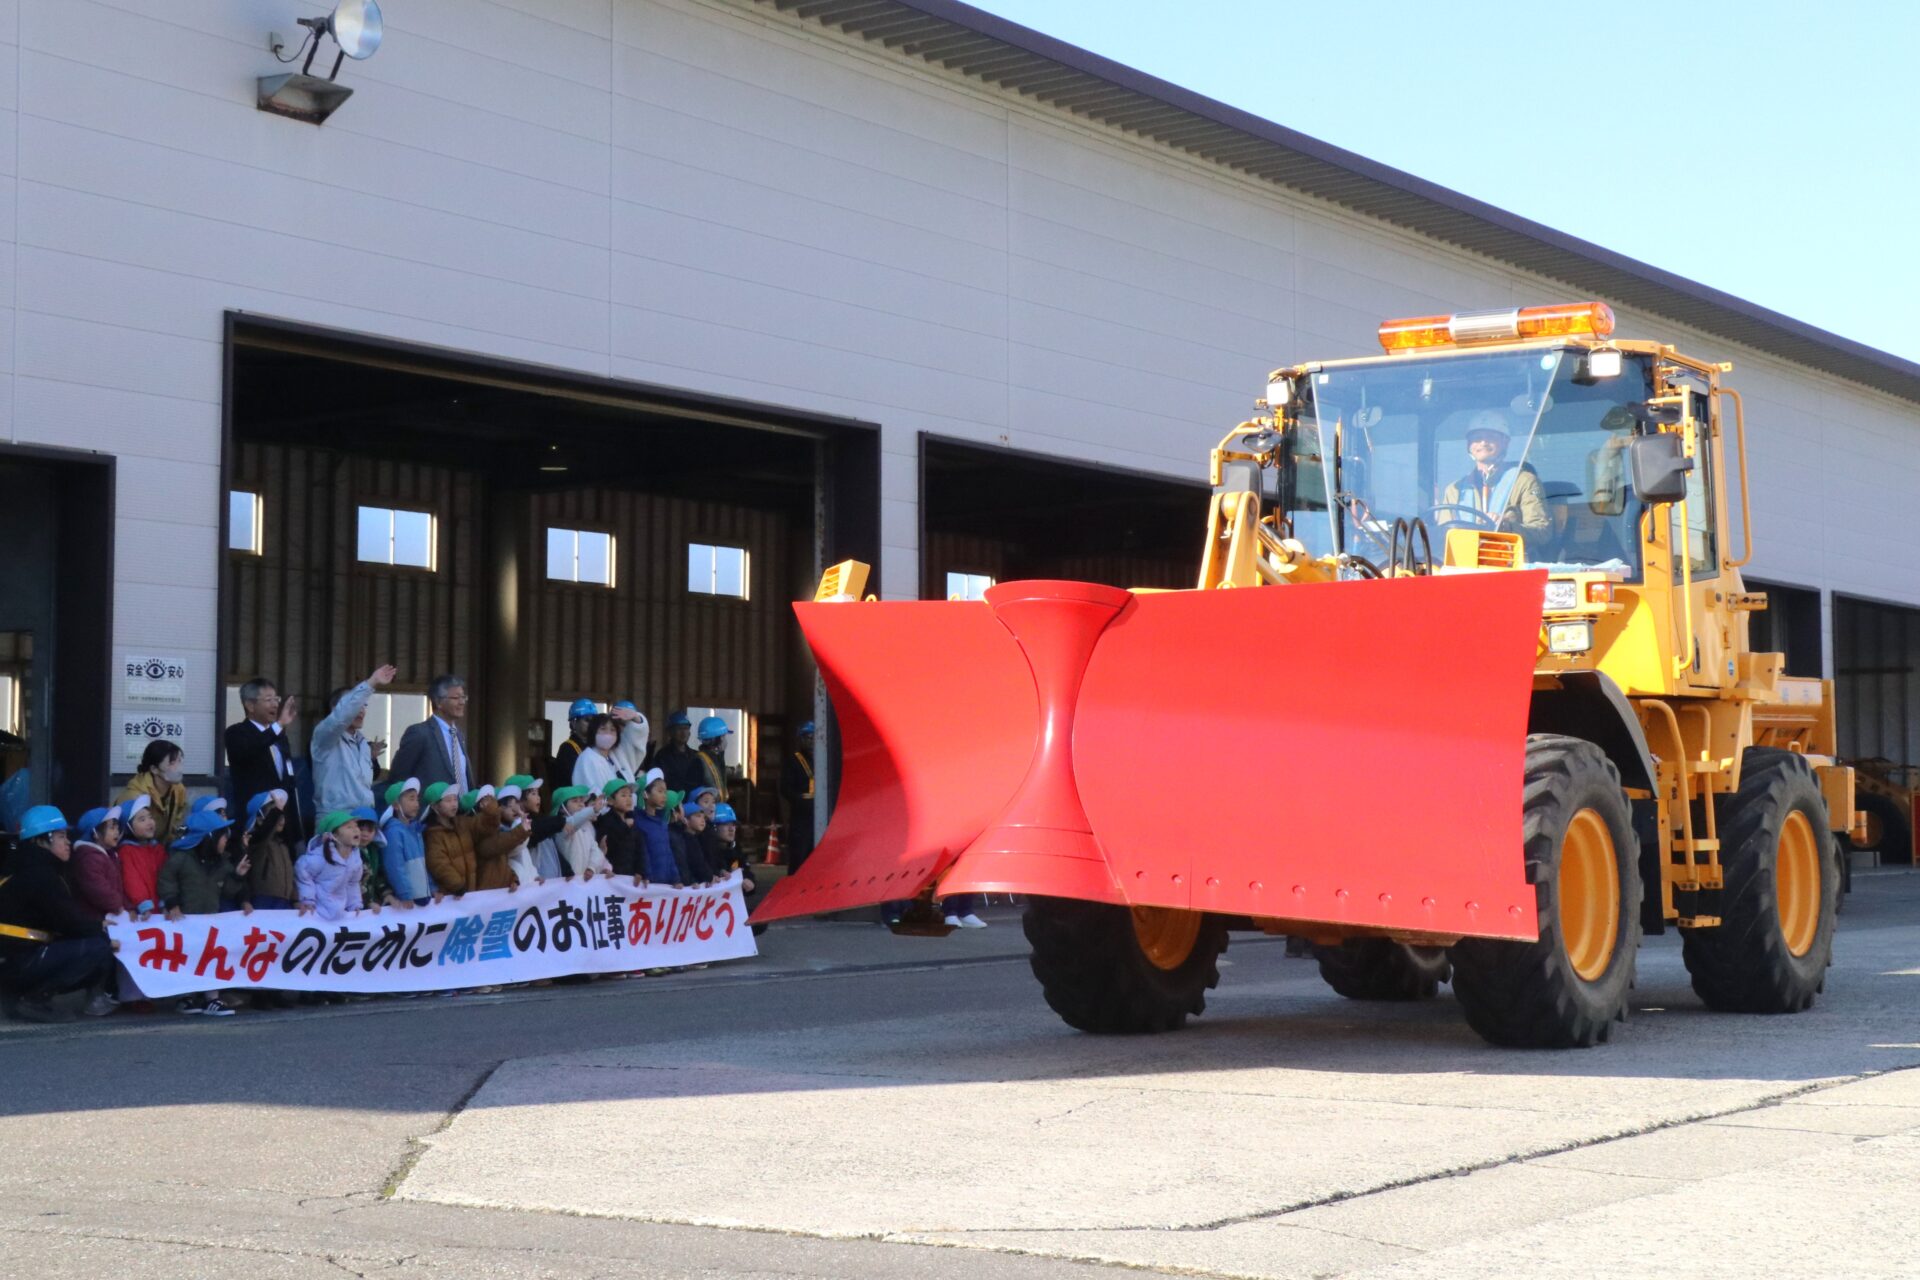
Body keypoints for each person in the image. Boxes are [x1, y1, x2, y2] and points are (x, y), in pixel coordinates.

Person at [0, 806, 117, 1023]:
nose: (68, 842)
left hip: (12, 958)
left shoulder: (24, 866)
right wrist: (100, 927)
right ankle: (34, 999)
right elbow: (68, 921)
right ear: (41, 840)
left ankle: (17, 996)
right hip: (18, 961)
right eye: (61, 836)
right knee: (98, 947)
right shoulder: (40, 874)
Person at [158, 807, 251, 1016]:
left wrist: (237, 876)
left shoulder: (222, 863)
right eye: (222, 836)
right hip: (185, 920)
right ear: (209, 837)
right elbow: (166, 879)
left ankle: (212, 998)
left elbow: (227, 890)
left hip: (210, 921)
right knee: (187, 958)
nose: (226, 840)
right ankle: (185, 996)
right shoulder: (181, 858)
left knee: (211, 957)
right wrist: (172, 902)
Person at [1438, 411, 1550, 546]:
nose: (1483, 442)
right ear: (1469, 445)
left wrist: (1506, 527)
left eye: (1491, 437)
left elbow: (1542, 532)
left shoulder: (1524, 481)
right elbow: (1442, 537)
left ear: (1505, 442)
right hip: (1463, 564)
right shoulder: (1454, 490)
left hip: (1511, 563)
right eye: (1477, 438)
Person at [224, 677, 303, 841]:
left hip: (284, 822)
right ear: (250, 705)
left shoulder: (280, 737)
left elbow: (287, 777)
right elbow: (253, 747)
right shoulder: (236, 733)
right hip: (255, 822)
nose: (275, 704)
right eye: (268, 700)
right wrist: (279, 725)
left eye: (276, 699)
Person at [311, 665, 397, 815]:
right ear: (335, 708)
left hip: (363, 819)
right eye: (357, 705)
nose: (362, 710)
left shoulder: (363, 743)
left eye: (365, 705)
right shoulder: (325, 736)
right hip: (335, 820)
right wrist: (372, 682)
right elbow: (342, 716)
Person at [388, 675, 472, 792]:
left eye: (464, 697)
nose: (462, 702)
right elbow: (399, 776)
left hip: (462, 808)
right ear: (438, 702)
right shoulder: (420, 733)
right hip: (430, 808)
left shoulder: (458, 734)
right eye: (456, 698)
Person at [296, 810, 367, 921]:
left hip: (340, 913)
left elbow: (353, 883)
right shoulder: (320, 857)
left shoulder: (356, 860)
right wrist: (307, 899)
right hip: (317, 912)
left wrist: (354, 904)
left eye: (356, 826)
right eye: (349, 827)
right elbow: (303, 873)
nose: (356, 830)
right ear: (334, 835)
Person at [117, 739, 190, 847]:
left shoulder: (179, 789)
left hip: (159, 850)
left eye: (179, 761)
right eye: (171, 763)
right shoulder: (135, 795)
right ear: (154, 769)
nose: (178, 768)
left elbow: (177, 823)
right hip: (136, 850)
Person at [69, 805, 130, 919]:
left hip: (110, 916)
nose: (117, 832)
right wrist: (118, 905)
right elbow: (98, 890)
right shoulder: (88, 859)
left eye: (117, 828)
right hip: (96, 918)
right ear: (95, 833)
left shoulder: (110, 855)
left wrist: (128, 906)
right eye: (112, 828)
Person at [379, 778, 432, 905]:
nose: (417, 804)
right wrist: (405, 894)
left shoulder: (415, 830)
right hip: (408, 901)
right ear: (396, 805)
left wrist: (432, 888)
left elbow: (422, 866)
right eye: (411, 799)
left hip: (421, 897)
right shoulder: (393, 833)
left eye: (417, 799)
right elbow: (395, 867)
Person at [241, 790, 296, 911]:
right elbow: (264, 832)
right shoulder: (256, 841)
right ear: (260, 819)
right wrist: (276, 812)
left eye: (282, 814)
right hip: (263, 899)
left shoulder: (283, 845)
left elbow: (291, 875)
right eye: (275, 813)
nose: (281, 818)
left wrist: (295, 900)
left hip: (285, 900)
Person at [115, 796, 167, 918]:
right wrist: (142, 903)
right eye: (142, 820)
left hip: (160, 910)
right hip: (141, 912)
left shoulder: (158, 849)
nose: (150, 822)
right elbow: (131, 880)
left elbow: (165, 878)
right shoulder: (126, 851)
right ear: (128, 827)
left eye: (150, 817)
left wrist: (165, 902)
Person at [422, 782, 476, 896]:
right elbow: (439, 864)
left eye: (455, 799)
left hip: (470, 892)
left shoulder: (461, 824)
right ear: (434, 806)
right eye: (448, 800)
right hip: (451, 895)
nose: (454, 804)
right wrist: (457, 885)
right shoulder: (432, 834)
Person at [468, 786, 526, 892]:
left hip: (499, 893)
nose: (495, 804)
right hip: (486, 894)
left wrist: (512, 879)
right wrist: (522, 830)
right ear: (480, 805)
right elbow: (497, 845)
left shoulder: (495, 831)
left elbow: (502, 862)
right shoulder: (477, 834)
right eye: (488, 800)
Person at [548, 786, 610, 879]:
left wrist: (591, 868)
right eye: (575, 801)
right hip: (569, 884)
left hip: (584, 883)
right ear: (562, 808)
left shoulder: (586, 828)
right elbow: (574, 821)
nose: (581, 804)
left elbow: (595, 851)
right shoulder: (560, 828)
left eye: (582, 801)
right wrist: (593, 810)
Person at [781, 720, 818, 871]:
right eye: (808, 737)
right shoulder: (793, 761)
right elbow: (785, 788)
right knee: (799, 856)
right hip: (801, 817)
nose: (811, 741)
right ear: (801, 739)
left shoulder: (821, 759)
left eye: (814, 737)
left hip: (817, 815)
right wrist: (800, 802)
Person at [571, 713, 636, 797]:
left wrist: (636, 717)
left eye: (612, 730)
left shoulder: (614, 756)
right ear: (593, 732)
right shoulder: (587, 759)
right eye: (603, 729)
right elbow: (592, 795)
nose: (608, 733)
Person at [633, 771, 678, 886]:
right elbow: (641, 852)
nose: (664, 796)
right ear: (645, 794)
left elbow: (668, 853)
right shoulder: (638, 821)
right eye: (659, 791)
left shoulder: (662, 823)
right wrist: (645, 874)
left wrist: (676, 879)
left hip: (665, 884)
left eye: (665, 792)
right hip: (648, 883)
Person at [548, 698, 599, 795]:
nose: (591, 724)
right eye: (587, 720)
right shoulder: (567, 749)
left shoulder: (596, 747)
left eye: (594, 721)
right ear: (574, 723)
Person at [595, 778, 642, 880]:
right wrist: (625, 827)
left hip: (631, 878)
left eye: (630, 795)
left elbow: (639, 848)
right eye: (623, 795)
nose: (629, 799)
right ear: (611, 801)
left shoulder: (632, 820)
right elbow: (610, 847)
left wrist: (640, 871)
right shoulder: (605, 821)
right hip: (613, 878)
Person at [654, 712, 703, 794]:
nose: (683, 733)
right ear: (671, 732)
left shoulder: (696, 756)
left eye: (686, 728)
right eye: (679, 728)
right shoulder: (662, 756)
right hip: (671, 802)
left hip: (693, 803)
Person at [673, 802, 717, 885]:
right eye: (698, 816)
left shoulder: (696, 838)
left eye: (704, 817)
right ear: (685, 820)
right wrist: (709, 877)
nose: (703, 820)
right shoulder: (687, 840)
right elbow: (696, 864)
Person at [692, 717, 731, 802]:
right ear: (718, 739)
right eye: (724, 736)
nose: (725, 740)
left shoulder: (714, 758)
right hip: (707, 810)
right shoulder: (699, 761)